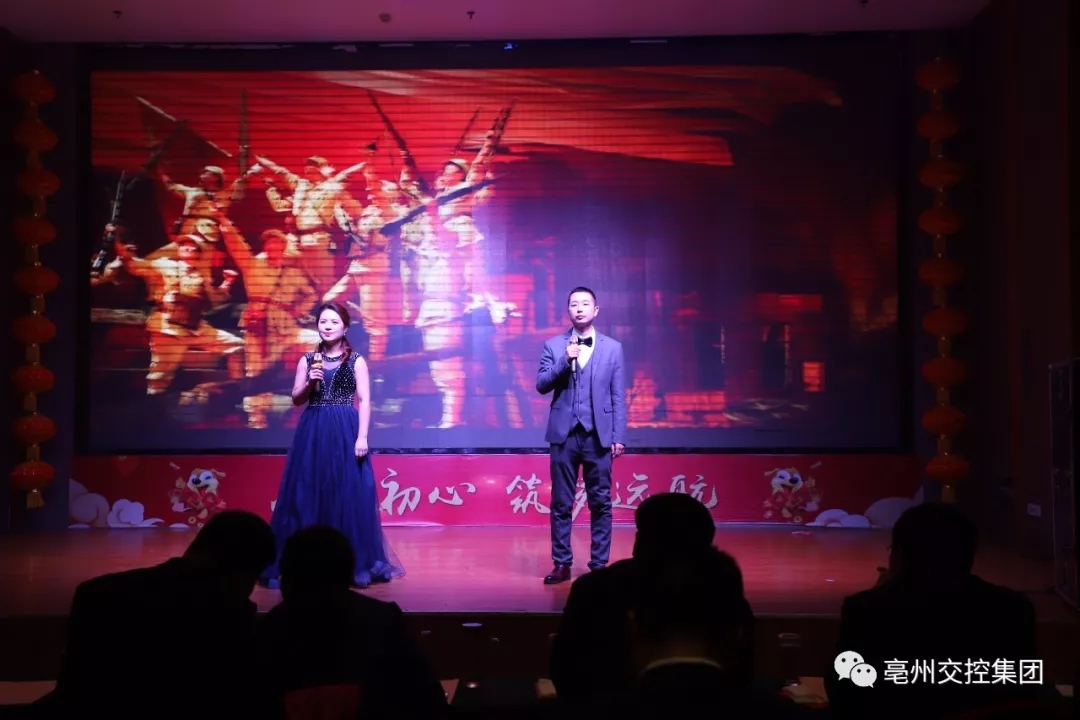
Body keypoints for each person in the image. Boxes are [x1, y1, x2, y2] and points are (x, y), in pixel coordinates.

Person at [49, 510, 275, 720]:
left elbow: (72, 693)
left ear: (197, 545)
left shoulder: (96, 594)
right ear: (244, 575)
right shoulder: (232, 617)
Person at [262, 301, 405, 589]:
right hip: (313, 430)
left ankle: (352, 563)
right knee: (306, 491)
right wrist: (309, 383)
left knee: (347, 492)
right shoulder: (307, 360)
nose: (327, 327)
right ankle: (301, 563)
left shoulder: (356, 361)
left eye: (334, 322)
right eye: (323, 322)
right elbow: (296, 399)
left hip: (345, 429)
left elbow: (365, 401)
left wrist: (362, 437)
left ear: (346, 327)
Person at [536, 286, 627, 584]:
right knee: (561, 502)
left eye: (585, 304)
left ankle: (599, 564)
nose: (579, 308)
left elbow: (618, 396)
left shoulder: (613, 348)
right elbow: (542, 384)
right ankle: (562, 563)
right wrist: (565, 359)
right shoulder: (553, 346)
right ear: (568, 311)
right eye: (574, 304)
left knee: (600, 502)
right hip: (564, 436)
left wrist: (618, 435)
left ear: (595, 310)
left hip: (598, 435)